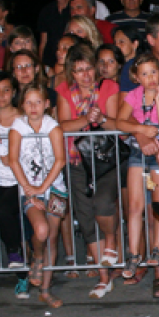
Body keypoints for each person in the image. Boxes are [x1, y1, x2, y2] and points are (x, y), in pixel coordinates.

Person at [56, 45, 122, 299]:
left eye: (88, 68)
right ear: (72, 73)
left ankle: (111, 243)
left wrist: (101, 118)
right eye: (79, 70)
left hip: (105, 159)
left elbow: (115, 123)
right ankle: (104, 278)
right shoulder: (63, 92)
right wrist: (85, 119)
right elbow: (63, 127)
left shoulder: (109, 88)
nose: (85, 75)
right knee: (84, 217)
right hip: (76, 160)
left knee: (103, 203)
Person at [117, 53, 159, 287]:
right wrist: (140, 129)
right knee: (135, 205)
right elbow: (120, 122)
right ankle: (133, 254)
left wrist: (158, 99)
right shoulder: (132, 96)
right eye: (144, 74)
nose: (150, 77)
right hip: (137, 154)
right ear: (136, 77)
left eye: (154, 72)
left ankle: (158, 248)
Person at [10, 85, 68, 309]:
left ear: (46, 104)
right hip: (29, 189)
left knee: (52, 238)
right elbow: (13, 160)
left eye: (37, 102)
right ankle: (37, 257)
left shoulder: (53, 127)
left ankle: (45, 289)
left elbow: (60, 160)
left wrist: (43, 187)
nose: (33, 107)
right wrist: (28, 188)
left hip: (55, 190)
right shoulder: (18, 126)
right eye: (28, 102)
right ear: (22, 105)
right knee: (41, 230)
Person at [0, 71, 30, 297]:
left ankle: (31, 271)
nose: (1, 95)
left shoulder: (23, 117)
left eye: (6, 90)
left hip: (22, 180)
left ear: (13, 92)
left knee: (27, 228)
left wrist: (12, 154)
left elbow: (32, 149)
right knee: (4, 217)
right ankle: (17, 262)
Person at [37, 0, 73, 68]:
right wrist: (41, 66)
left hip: (70, 63)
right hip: (50, 64)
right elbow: (43, 43)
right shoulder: (46, 11)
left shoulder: (75, 9)